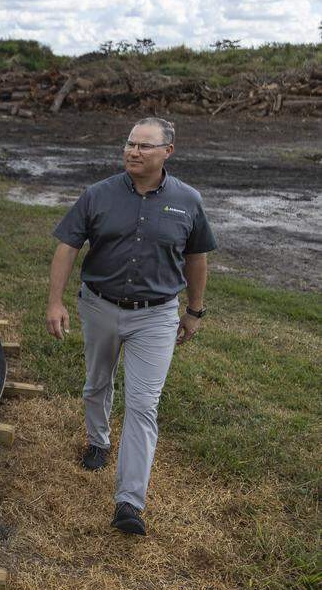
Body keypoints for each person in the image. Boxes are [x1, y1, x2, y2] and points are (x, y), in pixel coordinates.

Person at [45, 117, 216, 536]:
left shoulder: (188, 200)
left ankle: (129, 502)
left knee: (143, 404)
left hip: (156, 315)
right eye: (129, 144)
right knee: (97, 383)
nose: (133, 152)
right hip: (100, 306)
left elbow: (197, 258)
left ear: (167, 152)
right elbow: (68, 246)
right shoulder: (97, 194)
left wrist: (193, 311)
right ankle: (98, 441)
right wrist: (55, 301)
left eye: (144, 146)